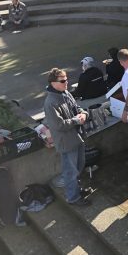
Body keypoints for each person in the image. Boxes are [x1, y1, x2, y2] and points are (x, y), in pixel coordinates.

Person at [44, 67, 90, 206]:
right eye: (63, 81)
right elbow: (59, 125)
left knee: (79, 165)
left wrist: (84, 114)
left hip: (77, 137)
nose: (66, 83)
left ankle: (77, 190)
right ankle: (73, 198)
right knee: (70, 171)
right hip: (67, 142)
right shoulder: (50, 102)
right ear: (53, 83)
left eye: (66, 79)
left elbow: (77, 108)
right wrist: (77, 120)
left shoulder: (65, 93)